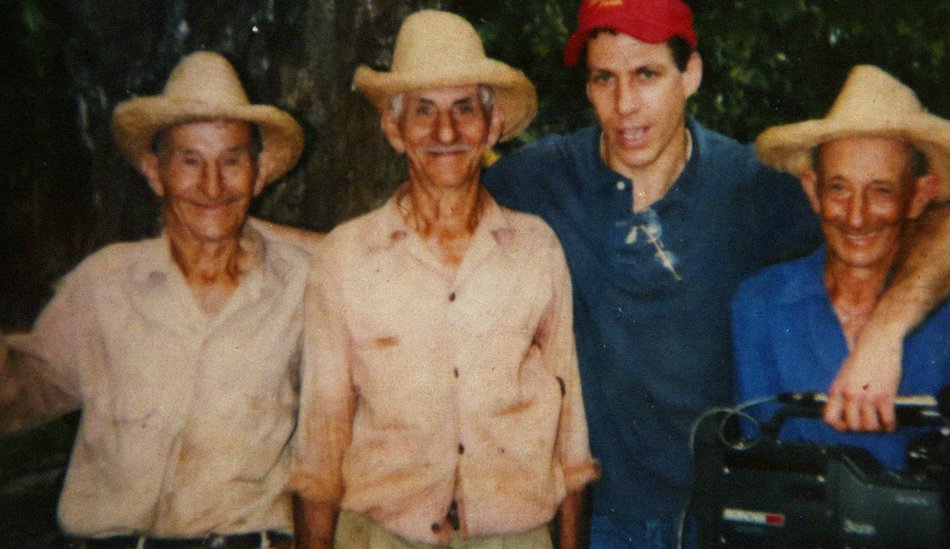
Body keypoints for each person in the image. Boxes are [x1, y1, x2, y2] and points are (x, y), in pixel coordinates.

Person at [481, 0, 950, 546]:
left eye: (647, 75)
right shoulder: (544, 179)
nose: (624, 105)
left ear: (690, 73)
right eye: (605, 79)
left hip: (725, 514)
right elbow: (444, 200)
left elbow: (946, 222)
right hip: (598, 518)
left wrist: (885, 334)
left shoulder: (750, 186)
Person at [290, 10, 599, 549]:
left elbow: (571, 440)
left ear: (492, 123)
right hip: (380, 535)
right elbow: (320, 446)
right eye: (423, 112)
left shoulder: (536, 249)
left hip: (514, 536)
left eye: (464, 109)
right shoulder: (345, 258)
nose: (446, 132)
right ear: (393, 128)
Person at [0, 51, 306, 548]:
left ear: (261, 170)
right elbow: (29, 387)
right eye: (190, 160)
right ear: (153, 170)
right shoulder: (103, 282)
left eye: (232, 161)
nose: (212, 185)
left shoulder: (304, 285)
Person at [734, 65, 950, 470]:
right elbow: (756, 462)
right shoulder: (760, 305)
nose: (857, 217)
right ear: (812, 190)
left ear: (918, 197)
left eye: (881, 190)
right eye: (839, 188)